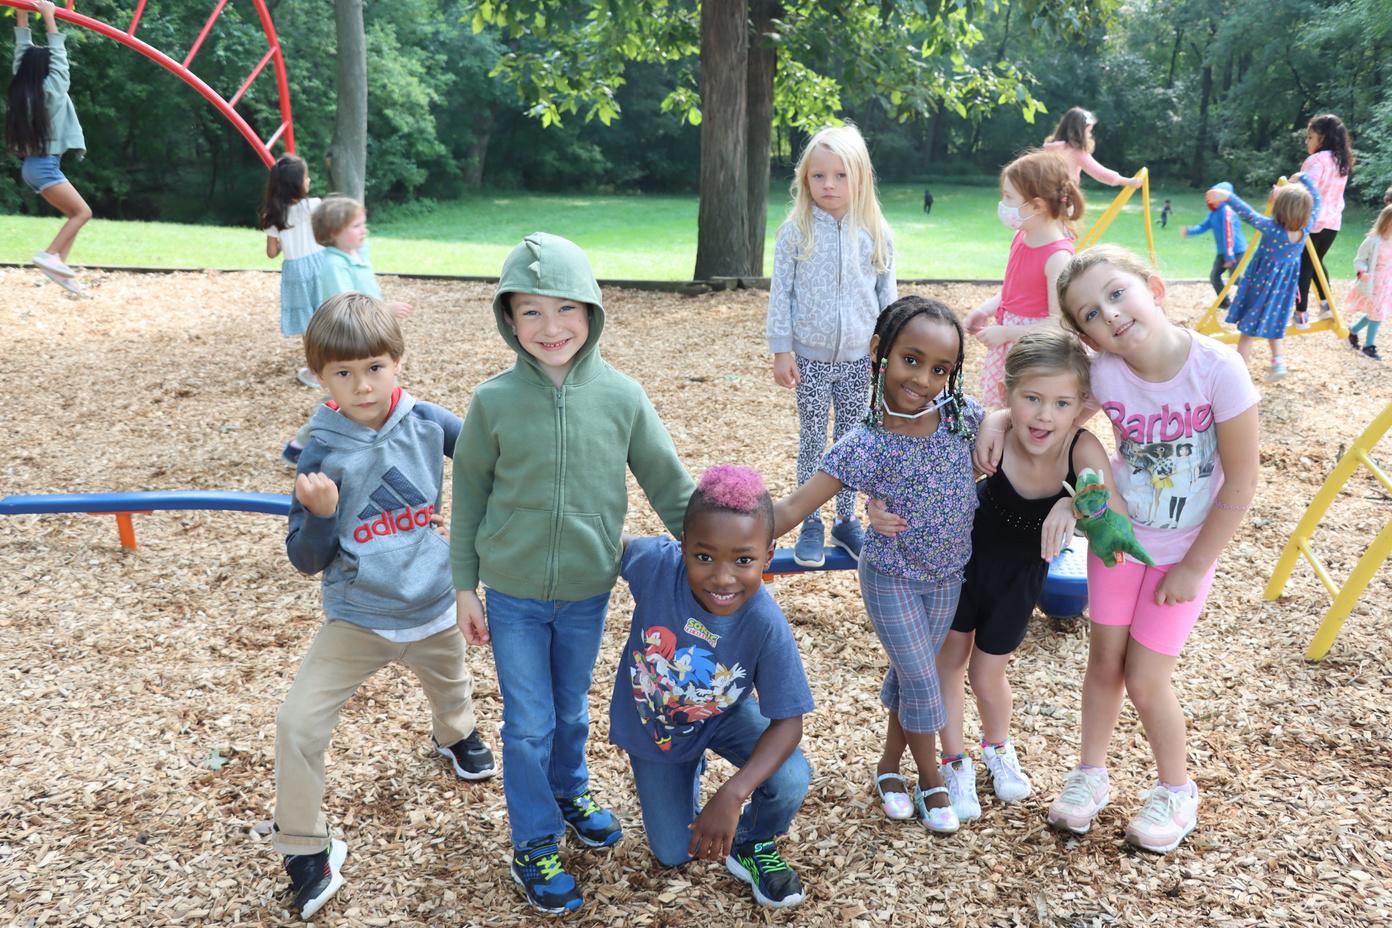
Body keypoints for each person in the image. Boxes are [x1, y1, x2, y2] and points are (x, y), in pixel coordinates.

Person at [979, 244, 1259, 854]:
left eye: (1115, 294)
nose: (1108, 314)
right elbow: (1049, 408)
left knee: (1146, 678)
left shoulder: (1219, 369)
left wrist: (1194, 566)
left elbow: (1242, 482)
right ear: (1087, 336)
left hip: (1182, 556)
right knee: (1104, 664)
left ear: (1152, 287)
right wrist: (998, 422)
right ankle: (1091, 774)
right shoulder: (1104, 374)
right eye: (1089, 314)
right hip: (1119, 546)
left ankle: (1177, 790)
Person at [450, 232, 695, 915]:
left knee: (569, 707)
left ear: (592, 312)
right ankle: (533, 840)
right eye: (531, 311)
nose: (550, 326)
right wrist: (464, 585)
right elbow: (468, 495)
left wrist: (719, 552)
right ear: (508, 319)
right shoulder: (493, 401)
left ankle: (569, 789)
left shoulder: (622, 397)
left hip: (587, 589)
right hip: (513, 594)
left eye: (566, 308)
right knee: (528, 720)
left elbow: (670, 485)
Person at [275, 293, 497, 921]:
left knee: (451, 686)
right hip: (359, 617)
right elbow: (305, 558)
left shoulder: (429, 421)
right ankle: (306, 849)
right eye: (343, 373)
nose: (363, 386)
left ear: (398, 361)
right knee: (297, 725)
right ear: (320, 377)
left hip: (434, 604)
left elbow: (492, 463)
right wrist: (321, 515)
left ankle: (455, 734)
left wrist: (478, 526)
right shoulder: (321, 451)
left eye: (374, 367)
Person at [869, 330, 1118, 824]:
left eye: (1061, 403)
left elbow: (1106, 503)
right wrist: (878, 506)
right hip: (964, 561)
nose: (1044, 416)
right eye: (1031, 399)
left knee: (988, 674)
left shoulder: (1081, 449)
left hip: (1021, 578)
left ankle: (998, 746)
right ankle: (953, 760)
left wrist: (1071, 506)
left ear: (1081, 406)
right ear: (1008, 393)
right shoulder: (994, 435)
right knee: (949, 662)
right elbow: (925, 476)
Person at [772, 295, 983, 835]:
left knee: (911, 677)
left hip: (947, 576)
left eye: (941, 369)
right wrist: (724, 535)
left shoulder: (961, 418)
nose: (924, 379)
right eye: (912, 360)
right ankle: (932, 780)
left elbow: (1009, 430)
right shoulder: (864, 443)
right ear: (878, 351)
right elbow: (794, 508)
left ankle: (889, 767)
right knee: (923, 678)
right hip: (890, 576)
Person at [613, 465, 814, 909]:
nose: (723, 578)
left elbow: (789, 723)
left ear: (768, 556)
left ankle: (753, 842)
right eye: (704, 557)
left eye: (743, 560)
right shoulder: (657, 565)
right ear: (683, 546)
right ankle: (686, 768)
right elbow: (609, 543)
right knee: (674, 852)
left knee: (791, 776)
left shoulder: (765, 623)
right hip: (657, 731)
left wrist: (734, 793)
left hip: (720, 714)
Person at [766, 123, 897, 568]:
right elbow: (781, 295)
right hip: (810, 358)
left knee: (851, 441)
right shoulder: (796, 232)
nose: (829, 185)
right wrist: (781, 350)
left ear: (860, 178)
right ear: (805, 179)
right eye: (819, 175)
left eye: (840, 176)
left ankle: (845, 520)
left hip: (860, 359)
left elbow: (887, 298)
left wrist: (888, 352)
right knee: (812, 440)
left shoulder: (876, 232)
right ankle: (811, 521)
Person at [281, 196, 411, 466]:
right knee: (340, 401)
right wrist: (384, 311)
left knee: (377, 392)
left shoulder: (354, 255)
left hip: (366, 343)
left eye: (363, 224)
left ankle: (379, 441)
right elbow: (345, 307)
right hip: (348, 347)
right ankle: (300, 444)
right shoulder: (333, 265)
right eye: (356, 226)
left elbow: (362, 258)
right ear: (333, 233)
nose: (364, 230)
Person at [965, 149, 1084, 408]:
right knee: (1005, 407)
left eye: (1009, 197)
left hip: (1035, 352)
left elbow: (1058, 324)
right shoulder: (1021, 236)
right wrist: (985, 310)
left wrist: (1007, 333)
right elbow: (1012, 291)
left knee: (1025, 409)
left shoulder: (1057, 257)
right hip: (1011, 341)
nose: (1003, 204)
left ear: (1037, 205)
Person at [7, 1, 90, 295]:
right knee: (83, 213)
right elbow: (59, 57)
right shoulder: (53, 89)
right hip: (43, 166)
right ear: (47, 70)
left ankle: (60, 270)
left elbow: (22, 51)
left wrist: (22, 12)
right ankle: (49, 255)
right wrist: (49, 17)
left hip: (35, 166)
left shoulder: (23, 90)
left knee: (74, 214)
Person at [1210, 174, 1319, 380]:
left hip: (1260, 288)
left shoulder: (1271, 229)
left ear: (1279, 207)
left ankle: (1239, 374)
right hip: (1282, 291)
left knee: (1247, 332)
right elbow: (1317, 200)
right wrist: (1305, 178)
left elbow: (1248, 214)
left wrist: (1227, 196)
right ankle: (1278, 362)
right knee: (1274, 323)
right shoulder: (1307, 227)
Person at [259, 154, 326, 386]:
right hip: (320, 264)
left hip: (295, 271)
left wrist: (283, 243)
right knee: (327, 314)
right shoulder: (314, 205)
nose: (309, 180)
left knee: (308, 324)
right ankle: (336, 362)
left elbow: (271, 252)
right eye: (306, 177)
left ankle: (315, 373)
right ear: (297, 183)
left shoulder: (272, 215)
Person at [1294, 114, 1354, 327]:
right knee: (1316, 262)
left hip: (1312, 223)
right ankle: (1326, 304)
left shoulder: (1316, 161)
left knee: (1303, 266)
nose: (1307, 142)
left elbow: (1304, 192)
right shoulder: (1341, 161)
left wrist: (1288, 187)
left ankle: (1301, 314)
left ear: (1323, 138)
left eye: (1310, 137)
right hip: (1332, 223)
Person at [1181, 182, 1247, 309]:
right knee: (1214, 276)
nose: (1210, 200)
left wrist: (1229, 257)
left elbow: (1229, 235)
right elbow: (1203, 227)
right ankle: (1224, 303)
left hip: (1235, 251)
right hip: (1224, 252)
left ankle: (1252, 296)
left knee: (1235, 279)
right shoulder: (1214, 213)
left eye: (1214, 197)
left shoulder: (1227, 212)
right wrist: (1189, 231)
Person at [1043, 107, 1143, 190]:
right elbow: (1100, 173)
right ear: (1079, 132)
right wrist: (1128, 181)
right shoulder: (1076, 152)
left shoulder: (1048, 148)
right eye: (1088, 131)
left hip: (1045, 195)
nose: (1090, 135)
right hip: (1064, 198)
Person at [1344, 203, 1392, 363]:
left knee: (1377, 313)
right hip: (1373, 282)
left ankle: (1352, 331)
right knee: (1377, 314)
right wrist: (1362, 272)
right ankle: (1368, 346)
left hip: (1387, 284)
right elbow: (1360, 259)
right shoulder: (1373, 241)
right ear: (1387, 221)